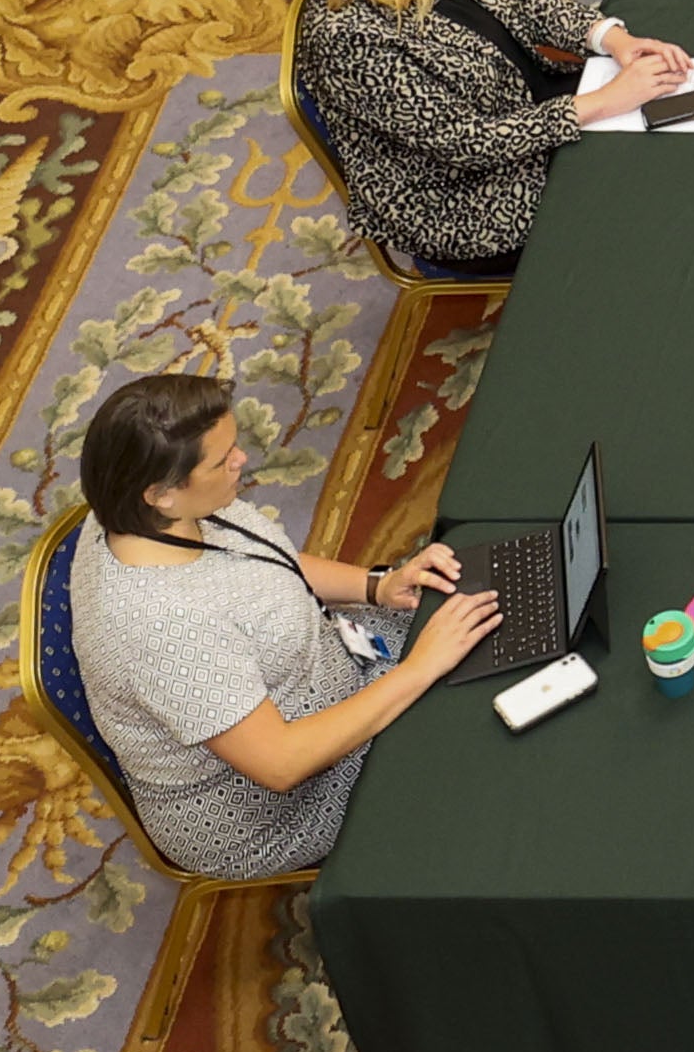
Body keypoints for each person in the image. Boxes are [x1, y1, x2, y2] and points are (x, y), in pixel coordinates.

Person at [62, 368, 502, 877]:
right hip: (275, 808)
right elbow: (281, 763)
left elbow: (267, 565)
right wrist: (418, 670)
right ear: (161, 492)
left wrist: (375, 585)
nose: (241, 460)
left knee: (481, 630)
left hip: (331, 665)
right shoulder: (161, 630)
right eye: (223, 459)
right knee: (478, 736)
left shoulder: (148, 511)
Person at [289, 0, 694, 274]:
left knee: (672, 137)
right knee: (652, 202)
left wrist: (611, 38)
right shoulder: (347, 42)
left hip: (530, 105)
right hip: (467, 197)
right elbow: (464, 143)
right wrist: (603, 102)